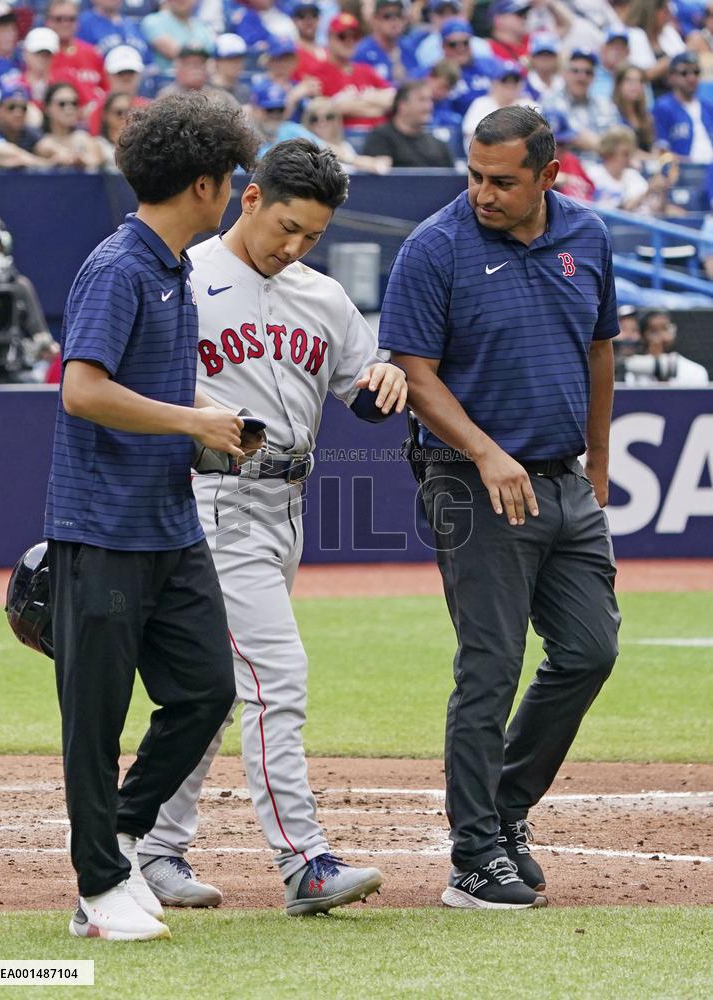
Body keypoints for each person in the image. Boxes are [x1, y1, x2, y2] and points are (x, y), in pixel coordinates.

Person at [137, 139, 406, 915]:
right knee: (276, 675)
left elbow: (366, 390)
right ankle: (303, 860)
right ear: (248, 198)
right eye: (286, 225)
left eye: (312, 235)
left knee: (219, 689)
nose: (294, 246)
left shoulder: (321, 296)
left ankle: (155, 847)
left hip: (286, 506)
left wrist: (384, 377)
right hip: (212, 500)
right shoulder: (184, 281)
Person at [378, 105, 621, 910]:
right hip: (467, 480)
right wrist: (486, 453)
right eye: (475, 176)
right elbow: (412, 371)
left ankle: (504, 810)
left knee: (590, 652)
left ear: (549, 176)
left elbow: (599, 348)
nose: (482, 192)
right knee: (491, 665)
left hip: (562, 479)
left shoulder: (587, 236)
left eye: (503, 181)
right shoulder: (434, 248)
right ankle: (472, 858)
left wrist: (601, 461)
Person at [44, 92, 260, 942]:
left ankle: (120, 838)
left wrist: (213, 416)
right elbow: (81, 389)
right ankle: (97, 890)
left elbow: (148, 386)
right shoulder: (119, 266)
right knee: (93, 719)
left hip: (168, 524)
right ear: (205, 185)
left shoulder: (172, 268)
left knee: (207, 691)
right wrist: (191, 421)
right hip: (101, 527)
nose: (234, 189)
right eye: (231, 177)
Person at [0, 210, 57, 382]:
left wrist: (41, 348)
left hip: (12, 373)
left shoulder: (20, 286)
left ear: (3, 246)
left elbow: (42, 338)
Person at [300, 12, 395, 129]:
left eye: (354, 36)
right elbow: (325, 111)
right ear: (329, 38)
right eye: (342, 36)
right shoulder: (316, 73)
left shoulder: (366, 70)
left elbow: (392, 100)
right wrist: (375, 103)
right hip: (341, 139)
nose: (349, 41)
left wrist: (355, 101)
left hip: (377, 137)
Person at [362, 78, 455, 167]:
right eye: (422, 100)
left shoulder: (438, 145)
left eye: (430, 100)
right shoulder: (380, 138)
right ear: (402, 105)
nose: (429, 106)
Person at [543, 48, 621, 152]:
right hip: (566, 164)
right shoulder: (550, 102)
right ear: (564, 74)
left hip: (602, 164)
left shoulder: (605, 105)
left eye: (588, 72)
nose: (582, 77)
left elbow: (617, 140)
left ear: (594, 77)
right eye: (575, 71)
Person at [302, 95, 391, 171]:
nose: (322, 123)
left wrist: (375, 163)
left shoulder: (345, 147)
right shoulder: (305, 147)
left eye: (328, 117)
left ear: (337, 121)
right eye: (314, 119)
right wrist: (361, 161)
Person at [46, 0, 108, 111]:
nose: (65, 23)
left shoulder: (92, 52)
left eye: (71, 19)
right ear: (48, 21)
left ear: (78, 22)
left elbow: (106, 88)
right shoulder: (43, 54)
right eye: (58, 19)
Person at [653, 51, 713, 162]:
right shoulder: (663, 108)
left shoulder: (708, 107)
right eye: (684, 73)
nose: (692, 78)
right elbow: (661, 151)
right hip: (685, 171)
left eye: (696, 72)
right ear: (671, 77)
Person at [34, 81, 105, 169]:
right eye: (62, 104)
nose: (69, 108)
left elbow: (96, 161)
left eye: (74, 103)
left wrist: (83, 161)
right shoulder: (37, 139)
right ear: (47, 108)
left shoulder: (83, 138)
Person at [462, 59, 530, 151]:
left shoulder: (528, 105)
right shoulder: (480, 104)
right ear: (494, 83)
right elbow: (472, 136)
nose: (510, 85)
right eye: (505, 80)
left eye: (515, 81)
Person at [632, 309, 709, 384]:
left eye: (665, 328)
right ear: (642, 336)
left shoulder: (695, 372)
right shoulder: (633, 371)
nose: (662, 336)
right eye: (653, 331)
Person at [141, 0, 216, 76]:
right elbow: (177, 53)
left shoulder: (201, 26)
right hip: (166, 81)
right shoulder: (153, 21)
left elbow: (212, 57)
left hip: (201, 82)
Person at [353, 0, 411, 84]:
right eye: (387, 16)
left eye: (398, 15)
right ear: (375, 19)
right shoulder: (361, 52)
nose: (394, 21)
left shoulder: (408, 47)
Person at [612, 63, 656, 153]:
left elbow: (654, 147)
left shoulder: (647, 117)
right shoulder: (612, 113)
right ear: (619, 85)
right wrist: (650, 158)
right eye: (629, 81)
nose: (635, 86)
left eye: (639, 81)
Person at [210, 33, 250, 104]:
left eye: (239, 59)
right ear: (217, 62)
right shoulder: (205, 90)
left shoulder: (245, 91)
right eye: (230, 60)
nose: (236, 64)